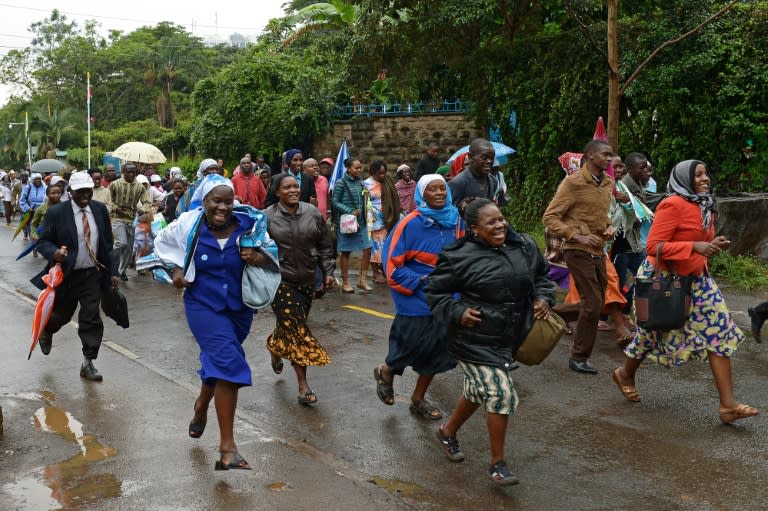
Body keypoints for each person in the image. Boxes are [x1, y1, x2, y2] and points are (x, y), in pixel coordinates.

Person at [613, 160, 759, 425]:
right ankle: (624, 373)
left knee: (720, 331)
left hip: (698, 280)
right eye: (698, 174)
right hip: (663, 280)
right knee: (652, 333)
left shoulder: (705, 205)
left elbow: (699, 242)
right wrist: (694, 246)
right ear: (683, 178)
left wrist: (711, 245)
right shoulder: (673, 204)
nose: (705, 179)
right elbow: (653, 246)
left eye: (706, 173)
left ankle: (727, 406)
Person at [425, 199, 556, 486]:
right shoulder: (459, 256)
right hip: (472, 340)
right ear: (474, 229)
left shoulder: (523, 246)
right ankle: (498, 464)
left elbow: (542, 279)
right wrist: (458, 312)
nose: (500, 226)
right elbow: (435, 292)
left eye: (500, 219)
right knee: (500, 393)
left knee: (476, 391)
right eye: (491, 223)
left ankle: (447, 432)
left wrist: (544, 299)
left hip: (509, 337)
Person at [154, 174, 277, 471]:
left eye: (227, 201)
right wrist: (174, 270)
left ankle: (201, 405)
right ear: (204, 202)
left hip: (240, 309)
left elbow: (272, 253)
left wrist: (257, 256)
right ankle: (227, 449)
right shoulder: (189, 225)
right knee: (230, 364)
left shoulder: (250, 225)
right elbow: (161, 244)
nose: (222, 207)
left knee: (219, 363)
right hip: (203, 307)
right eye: (216, 201)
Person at [374, 175, 462, 419]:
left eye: (442, 189)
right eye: (432, 190)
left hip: (446, 295)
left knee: (438, 349)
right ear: (421, 195)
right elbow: (391, 263)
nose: (439, 194)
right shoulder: (410, 224)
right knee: (411, 341)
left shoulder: (456, 221)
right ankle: (387, 369)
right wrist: (420, 281)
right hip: (416, 294)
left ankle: (418, 398)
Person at [32, 171, 119, 381]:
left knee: (91, 317)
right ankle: (48, 331)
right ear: (70, 191)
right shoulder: (57, 213)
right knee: (60, 316)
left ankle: (88, 363)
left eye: (88, 191)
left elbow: (106, 243)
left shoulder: (99, 210)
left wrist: (113, 271)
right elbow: (43, 241)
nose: (85, 195)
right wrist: (55, 253)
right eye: (80, 191)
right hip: (67, 275)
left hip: (92, 275)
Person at [542, 139, 614, 374]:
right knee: (592, 304)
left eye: (611, 155)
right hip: (576, 249)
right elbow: (550, 217)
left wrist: (608, 227)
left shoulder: (607, 183)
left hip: (597, 249)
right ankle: (578, 357)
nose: (609, 159)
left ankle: (549, 311)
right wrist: (577, 236)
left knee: (596, 303)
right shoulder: (573, 183)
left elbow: (600, 215)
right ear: (590, 155)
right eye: (605, 154)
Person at [265, 174, 335, 405]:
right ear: (277, 192)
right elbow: (257, 249)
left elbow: (325, 245)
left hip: (307, 280)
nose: (294, 190)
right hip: (280, 281)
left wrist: (328, 272)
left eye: (296, 186)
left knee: (293, 326)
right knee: (298, 331)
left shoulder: (312, 212)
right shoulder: (267, 217)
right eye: (287, 187)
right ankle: (303, 385)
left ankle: (275, 344)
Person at [332, 158, 372, 293]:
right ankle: (346, 283)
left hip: (362, 222)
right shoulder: (340, 183)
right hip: (347, 223)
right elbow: (335, 202)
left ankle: (362, 280)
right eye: (356, 168)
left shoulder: (361, 183)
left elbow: (364, 201)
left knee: (367, 248)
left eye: (360, 168)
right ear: (348, 168)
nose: (359, 170)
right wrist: (350, 211)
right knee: (346, 252)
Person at [109, 163, 151, 281]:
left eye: (133, 172)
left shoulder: (139, 187)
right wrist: (116, 208)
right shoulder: (115, 184)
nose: (131, 174)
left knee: (128, 247)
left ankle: (121, 271)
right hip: (117, 218)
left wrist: (143, 210)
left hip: (131, 219)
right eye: (128, 172)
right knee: (121, 243)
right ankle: (113, 268)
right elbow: (108, 200)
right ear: (123, 171)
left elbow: (147, 202)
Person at [363, 160, 401, 284]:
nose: (382, 176)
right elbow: (364, 203)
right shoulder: (366, 184)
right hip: (373, 220)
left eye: (384, 173)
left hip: (387, 219)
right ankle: (375, 272)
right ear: (373, 172)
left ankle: (385, 270)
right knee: (375, 247)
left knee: (385, 246)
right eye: (380, 173)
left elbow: (394, 197)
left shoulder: (387, 182)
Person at [448, 139, 499, 209]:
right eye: (484, 157)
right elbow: (449, 210)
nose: (489, 161)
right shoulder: (458, 182)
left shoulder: (493, 181)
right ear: (470, 157)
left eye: (492, 158)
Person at [21, 173, 47, 240]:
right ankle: (33, 245)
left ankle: (40, 244)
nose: (38, 180)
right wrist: (27, 208)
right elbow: (22, 200)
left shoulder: (45, 188)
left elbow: (48, 200)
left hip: (42, 212)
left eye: (39, 179)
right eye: (36, 179)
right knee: (32, 228)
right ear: (32, 180)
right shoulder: (28, 187)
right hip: (31, 212)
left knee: (42, 228)